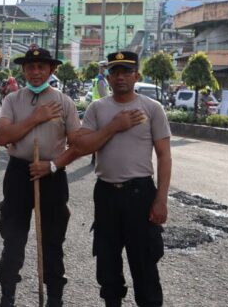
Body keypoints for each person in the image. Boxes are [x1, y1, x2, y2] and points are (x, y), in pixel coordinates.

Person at [30, 51, 172, 307]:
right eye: (115, 72)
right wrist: (114, 126)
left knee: (144, 264)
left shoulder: (152, 109)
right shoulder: (98, 108)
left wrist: (161, 199)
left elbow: (164, 156)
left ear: (136, 75)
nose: (120, 77)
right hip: (106, 194)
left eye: (126, 72)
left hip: (140, 194)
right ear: (108, 75)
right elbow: (81, 147)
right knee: (107, 264)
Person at [0, 47, 81, 307]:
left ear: (51, 70)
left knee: (52, 241)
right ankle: (7, 294)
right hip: (19, 172)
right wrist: (35, 118)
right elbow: (2, 137)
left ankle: (54, 296)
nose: (35, 71)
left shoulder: (65, 102)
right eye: (30, 66)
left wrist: (53, 165)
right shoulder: (13, 100)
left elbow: (77, 145)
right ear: (23, 70)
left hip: (52, 176)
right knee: (13, 238)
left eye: (41, 66)